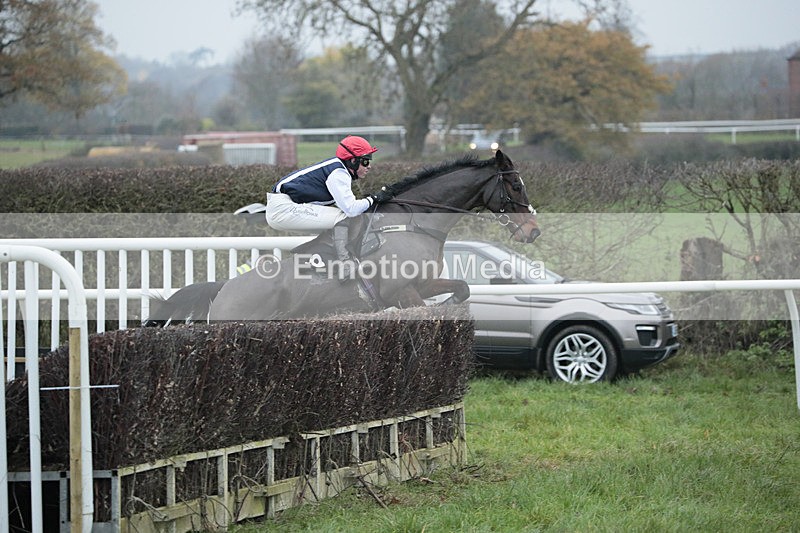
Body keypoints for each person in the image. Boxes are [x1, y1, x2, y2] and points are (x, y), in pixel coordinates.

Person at [265, 135, 393, 270]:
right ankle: (345, 264)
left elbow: (348, 207)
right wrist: (374, 199)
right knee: (341, 218)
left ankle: (321, 258)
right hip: (282, 209)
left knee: (340, 223)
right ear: (353, 161)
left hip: (284, 206)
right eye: (366, 162)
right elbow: (351, 210)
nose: (369, 166)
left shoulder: (338, 170)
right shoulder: (338, 173)